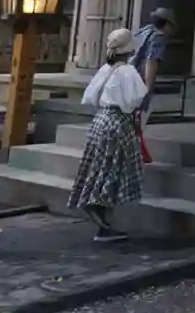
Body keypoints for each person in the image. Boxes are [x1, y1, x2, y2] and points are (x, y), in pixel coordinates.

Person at [68, 28, 148, 242]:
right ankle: (100, 215)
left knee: (99, 167)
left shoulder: (106, 69)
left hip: (100, 121)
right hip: (116, 123)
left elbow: (91, 97)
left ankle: (103, 220)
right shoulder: (128, 72)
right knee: (112, 171)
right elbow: (135, 100)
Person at [129, 6, 177, 121]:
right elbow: (151, 61)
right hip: (140, 74)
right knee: (139, 113)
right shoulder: (158, 37)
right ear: (166, 24)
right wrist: (148, 86)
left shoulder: (145, 30)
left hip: (129, 70)